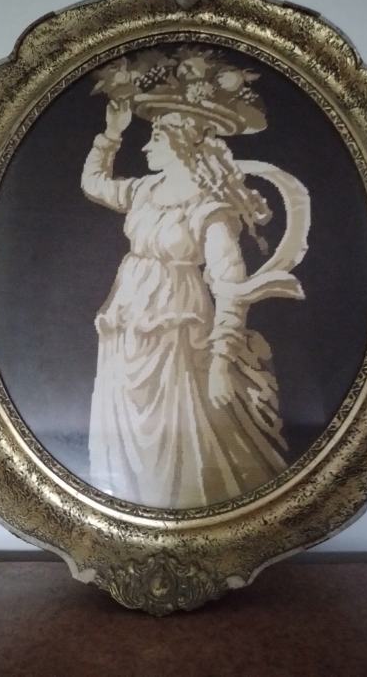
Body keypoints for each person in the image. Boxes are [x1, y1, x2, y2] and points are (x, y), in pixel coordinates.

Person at [81, 92, 308, 509]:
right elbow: (93, 185)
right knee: (126, 422)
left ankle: (181, 511)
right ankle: (131, 506)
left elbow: (230, 287)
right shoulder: (145, 189)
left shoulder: (210, 208)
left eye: (155, 139)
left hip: (178, 322)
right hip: (127, 318)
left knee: (178, 427)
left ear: (182, 142)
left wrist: (221, 362)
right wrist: (110, 136)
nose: (145, 148)